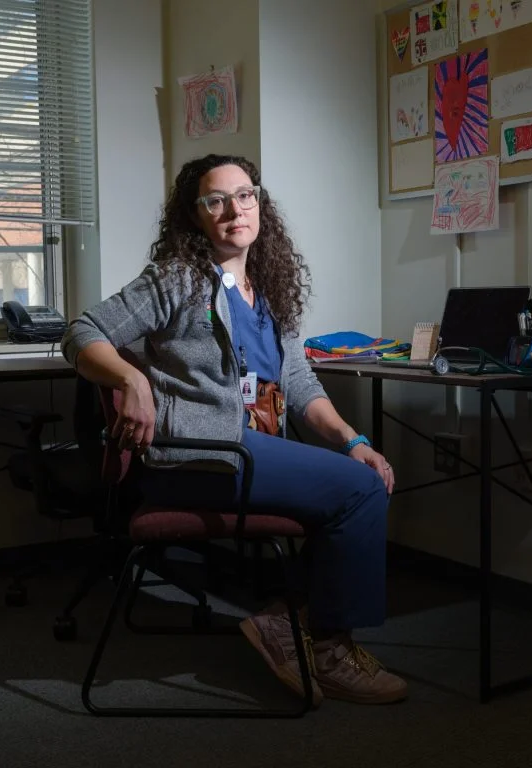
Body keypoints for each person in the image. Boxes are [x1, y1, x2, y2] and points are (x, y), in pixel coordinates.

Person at [62, 154, 407, 706]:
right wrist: (132, 379)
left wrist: (353, 440)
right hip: (200, 457)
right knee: (358, 491)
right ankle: (328, 649)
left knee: (356, 478)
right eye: (214, 200)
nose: (233, 210)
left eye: (244, 195)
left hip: (254, 451)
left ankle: (288, 624)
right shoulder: (177, 279)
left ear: (260, 204)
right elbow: (83, 331)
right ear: (195, 216)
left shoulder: (270, 288)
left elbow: (299, 384)